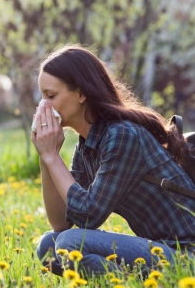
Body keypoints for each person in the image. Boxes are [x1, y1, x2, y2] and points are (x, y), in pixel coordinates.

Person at [31, 44, 195, 277]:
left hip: (186, 255)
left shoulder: (122, 135)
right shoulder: (87, 147)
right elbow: (61, 223)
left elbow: (89, 216)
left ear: (80, 93)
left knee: (69, 244)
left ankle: (129, 283)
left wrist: (52, 157)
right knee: (48, 246)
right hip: (163, 250)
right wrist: (46, 157)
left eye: (51, 96)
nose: (43, 106)